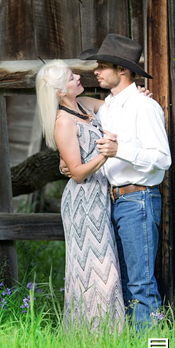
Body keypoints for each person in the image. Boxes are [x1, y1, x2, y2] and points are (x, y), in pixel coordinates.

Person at [75, 34, 172, 326]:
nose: (96, 71)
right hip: (114, 200)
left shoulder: (144, 107)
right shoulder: (109, 107)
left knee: (140, 281)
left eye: (102, 66)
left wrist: (120, 151)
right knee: (125, 278)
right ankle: (132, 341)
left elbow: (162, 158)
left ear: (122, 70)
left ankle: (150, 343)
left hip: (138, 199)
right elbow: (73, 103)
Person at [36, 60, 125, 331]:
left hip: (100, 196)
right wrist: (106, 154)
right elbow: (76, 173)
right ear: (60, 91)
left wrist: (137, 95)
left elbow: (115, 105)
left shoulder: (85, 105)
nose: (78, 77)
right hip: (83, 201)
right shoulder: (63, 122)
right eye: (70, 77)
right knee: (95, 269)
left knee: (107, 267)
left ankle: (109, 334)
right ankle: (91, 335)